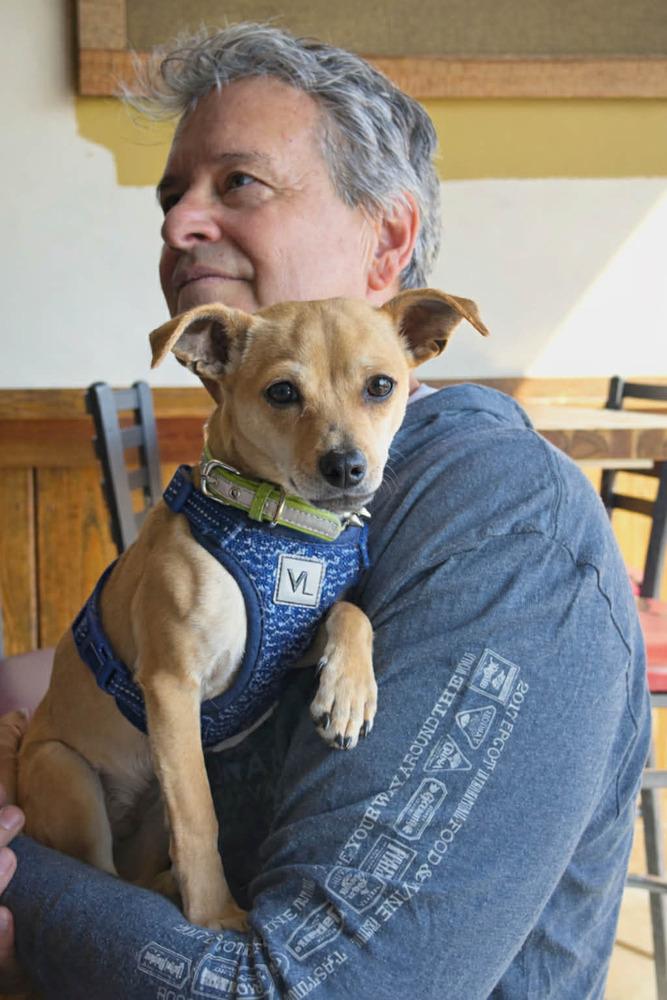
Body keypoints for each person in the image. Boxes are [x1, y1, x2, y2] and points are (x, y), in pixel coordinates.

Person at [0, 23, 650, 999]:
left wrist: (26, 885)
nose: (179, 223)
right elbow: (174, 648)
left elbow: (314, 989)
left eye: (239, 184)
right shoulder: (255, 487)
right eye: (172, 194)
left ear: (388, 238)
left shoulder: (504, 523)